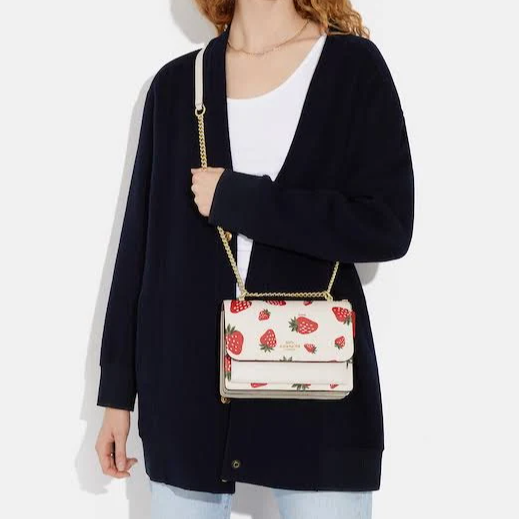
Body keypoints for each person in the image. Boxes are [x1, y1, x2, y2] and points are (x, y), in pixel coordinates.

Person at [95, 1, 414, 517]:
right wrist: (116, 393)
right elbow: (139, 247)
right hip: (186, 389)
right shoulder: (176, 87)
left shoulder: (354, 68)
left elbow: (389, 225)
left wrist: (244, 202)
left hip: (319, 394)